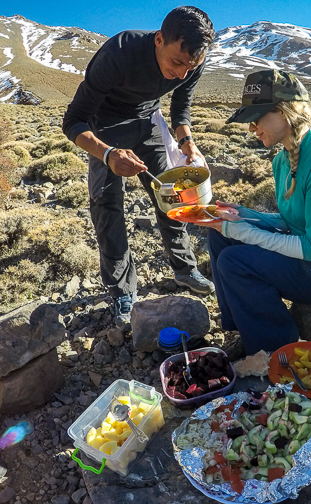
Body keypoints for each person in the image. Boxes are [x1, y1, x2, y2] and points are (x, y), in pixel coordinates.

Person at [62, 6, 216, 330]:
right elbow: (73, 120)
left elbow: (181, 106)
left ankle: (185, 268)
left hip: (148, 123)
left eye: (191, 67)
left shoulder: (191, 60)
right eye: (176, 63)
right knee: (107, 207)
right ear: (159, 40)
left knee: (170, 196)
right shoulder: (120, 52)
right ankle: (122, 291)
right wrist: (108, 155)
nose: (181, 74)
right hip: (103, 128)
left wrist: (188, 144)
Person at [195, 69, 311, 357]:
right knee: (219, 236)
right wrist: (244, 215)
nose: (251, 128)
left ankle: (275, 349)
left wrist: (246, 232)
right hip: (308, 253)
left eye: (256, 118)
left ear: (285, 112)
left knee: (236, 261)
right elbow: (289, 222)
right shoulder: (283, 159)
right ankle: (242, 327)